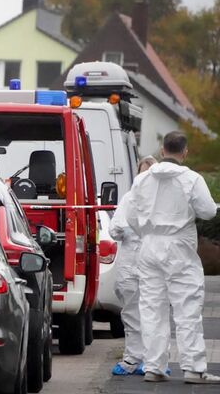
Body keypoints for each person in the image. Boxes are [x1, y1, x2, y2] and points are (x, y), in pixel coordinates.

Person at [123, 132, 218, 384]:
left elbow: (130, 214)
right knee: (187, 307)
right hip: (179, 247)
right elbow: (208, 212)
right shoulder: (191, 179)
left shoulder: (142, 180)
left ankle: (154, 367)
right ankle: (193, 368)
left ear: (162, 151)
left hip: (149, 246)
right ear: (184, 153)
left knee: (152, 308)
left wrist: (147, 232)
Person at [110, 156, 158, 376]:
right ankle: (133, 358)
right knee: (132, 314)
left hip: (151, 265)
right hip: (132, 265)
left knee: (152, 315)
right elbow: (115, 229)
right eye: (143, 173)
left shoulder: (159, 201)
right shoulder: (130, 198)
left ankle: (151, 360)